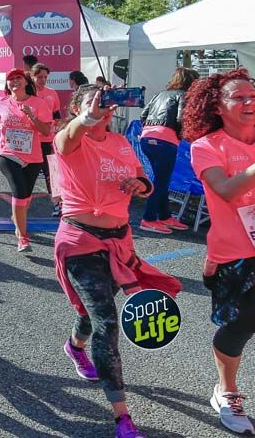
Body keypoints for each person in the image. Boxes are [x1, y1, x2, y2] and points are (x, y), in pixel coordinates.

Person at [52, 84, 180, 438]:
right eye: (99, 105)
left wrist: (140, 186)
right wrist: (87, 117)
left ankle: (74, 345)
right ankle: (121, 416)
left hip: (119, 242)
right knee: (107, 322)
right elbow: (65, 141)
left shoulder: (121, 142)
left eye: (108, 106)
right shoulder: (70, 139)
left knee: (93, 312)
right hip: (80, 241)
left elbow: (144, 179)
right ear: (80, 107)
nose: (106, 111)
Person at [183, 69, 255, 434]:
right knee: (241, 324)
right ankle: (226, 390)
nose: (249, 102)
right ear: (218, 105)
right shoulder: (207, 146)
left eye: (252, 95)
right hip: (236, 255)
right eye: (238, 97)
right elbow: (225, 189)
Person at [0, 68, 52, 252]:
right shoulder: (1, 102)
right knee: (20, 193)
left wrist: (31, 116)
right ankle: (22, 236)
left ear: (26, 82)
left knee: (26, 196)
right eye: (10, 79)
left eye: (18, 78)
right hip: (7, 153)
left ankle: (17, 219)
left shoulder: (38, 103)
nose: (14, 81)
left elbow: (46, 131)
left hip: (32, 156)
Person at [138, 68, 198, 234]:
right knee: (161, 181)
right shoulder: (184, 96)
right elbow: (181, 119)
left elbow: (143, 115)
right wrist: (181, 136)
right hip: (165, 140)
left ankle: (164, 216)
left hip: (147, 138)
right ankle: (148, 219)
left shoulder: (160, 94)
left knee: (160, 179)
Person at [31, 63, 63, 217]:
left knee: (52, 172)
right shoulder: (27, 93)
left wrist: (56, 129)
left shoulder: (52, 93)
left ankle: (58, 204)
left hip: (47, 139)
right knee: (27, 173)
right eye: (39, 77)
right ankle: (22, 203)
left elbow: (56, 114)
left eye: (45, 77)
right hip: (29, 140)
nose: (43, 80)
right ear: (32, 77)